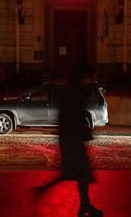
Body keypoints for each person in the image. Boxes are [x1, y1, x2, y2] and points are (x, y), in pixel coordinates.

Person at [36, 65, 102, 217]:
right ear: (80, 79)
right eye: (87, 78)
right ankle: (83, 205)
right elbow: (75, 118)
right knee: (79, 173)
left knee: (77, 173)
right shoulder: (75, 95)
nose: (90, 81)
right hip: (73, 140)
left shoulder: (72, 93)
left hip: (70, 139)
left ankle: (84, 205)